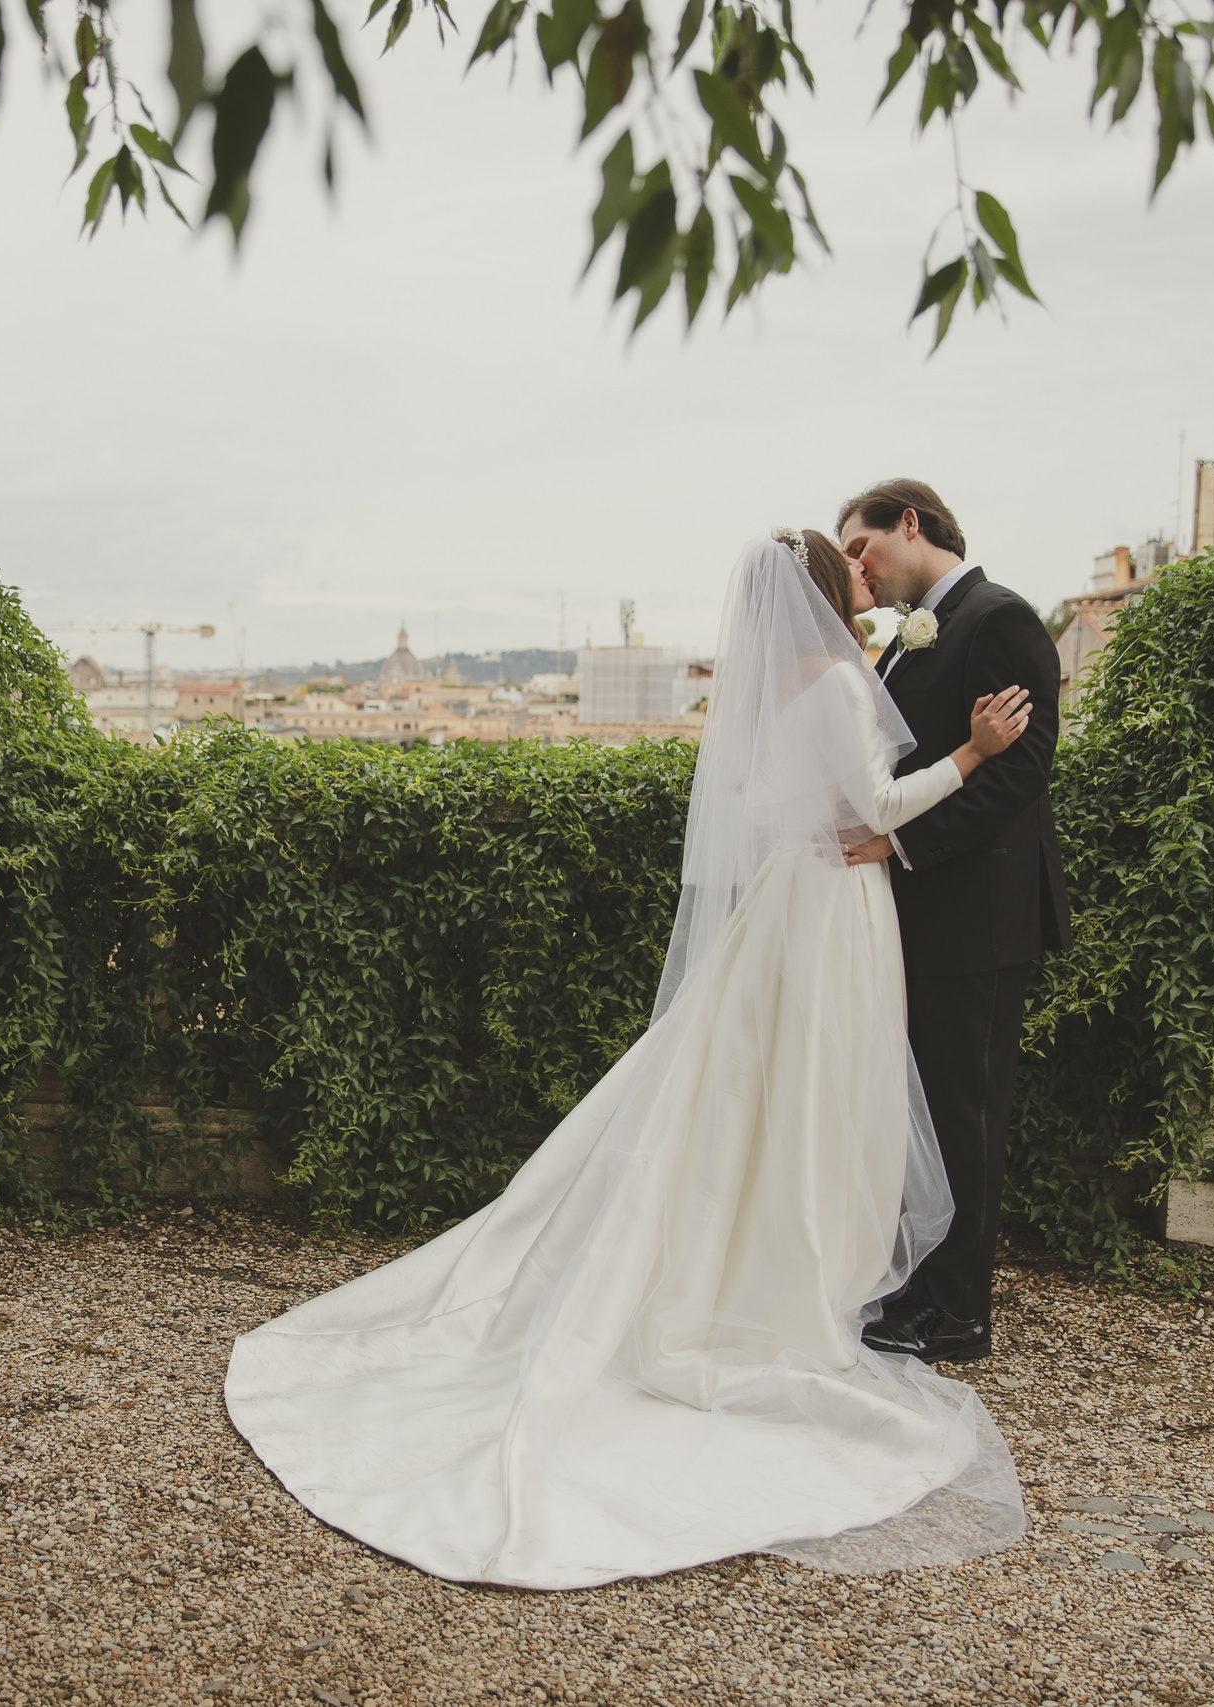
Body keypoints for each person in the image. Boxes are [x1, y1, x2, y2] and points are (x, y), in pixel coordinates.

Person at [225, 533, 1032, 1590]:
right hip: (835, 910)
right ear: (829, 591)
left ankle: (762, 1266)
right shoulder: (840, 683)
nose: (864, 575)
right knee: (817, 1092)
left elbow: (777, 805)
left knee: (766, 1091)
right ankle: (798, 1280)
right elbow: (877, 813)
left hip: (793, 904)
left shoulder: (787, 692)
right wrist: (972, 753)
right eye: (850, 568)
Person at [837, 479, 1071, 1367]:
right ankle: (918, 1286)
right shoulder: (913, 633)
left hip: (979, 917)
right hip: (926, 916)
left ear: (910, 523)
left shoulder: (998, 617)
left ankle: (959, 1314)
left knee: (965, 1114)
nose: (857, 566)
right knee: (926, 1114)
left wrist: (899, 846)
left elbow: (1022, 770)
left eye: (861, 546)